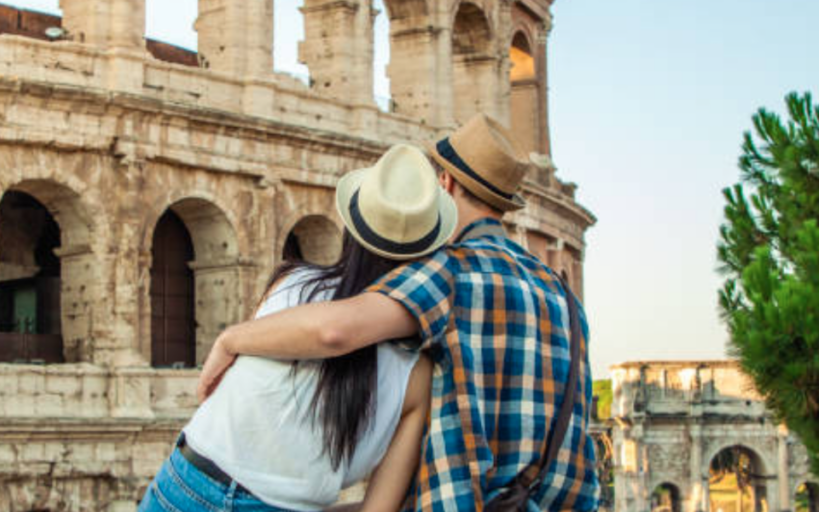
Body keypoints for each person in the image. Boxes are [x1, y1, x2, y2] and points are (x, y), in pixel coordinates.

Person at [198, 115, 601, 512]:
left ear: (446, 183)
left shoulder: (449, 273)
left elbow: (336, 330)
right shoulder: (564, 298)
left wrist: (231, 339)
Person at [139, 144, 459, 512]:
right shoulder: (417, 374)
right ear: (427, 258)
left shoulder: (293, 283)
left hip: (187, 482)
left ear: (351, 230)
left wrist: (228, 340)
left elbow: (333, 333)